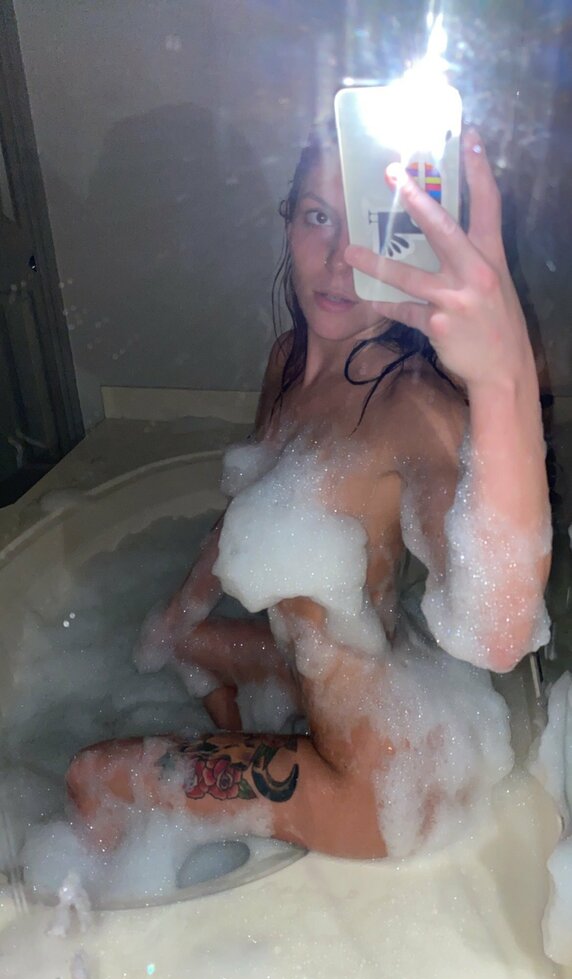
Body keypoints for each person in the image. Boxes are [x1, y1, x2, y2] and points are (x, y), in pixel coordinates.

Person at [66, 123, 551, 860]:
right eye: (319, 216)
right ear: (287, 218)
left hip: (381, 785)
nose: (340, 259)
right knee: (179, 641)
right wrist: (176, 615)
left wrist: (500, 381)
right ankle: (234, 768)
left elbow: (497, 635)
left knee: (91, 776)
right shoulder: (289, 360)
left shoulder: (412, 407)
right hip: (324, 687)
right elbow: (245, 516)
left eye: (371, 232)